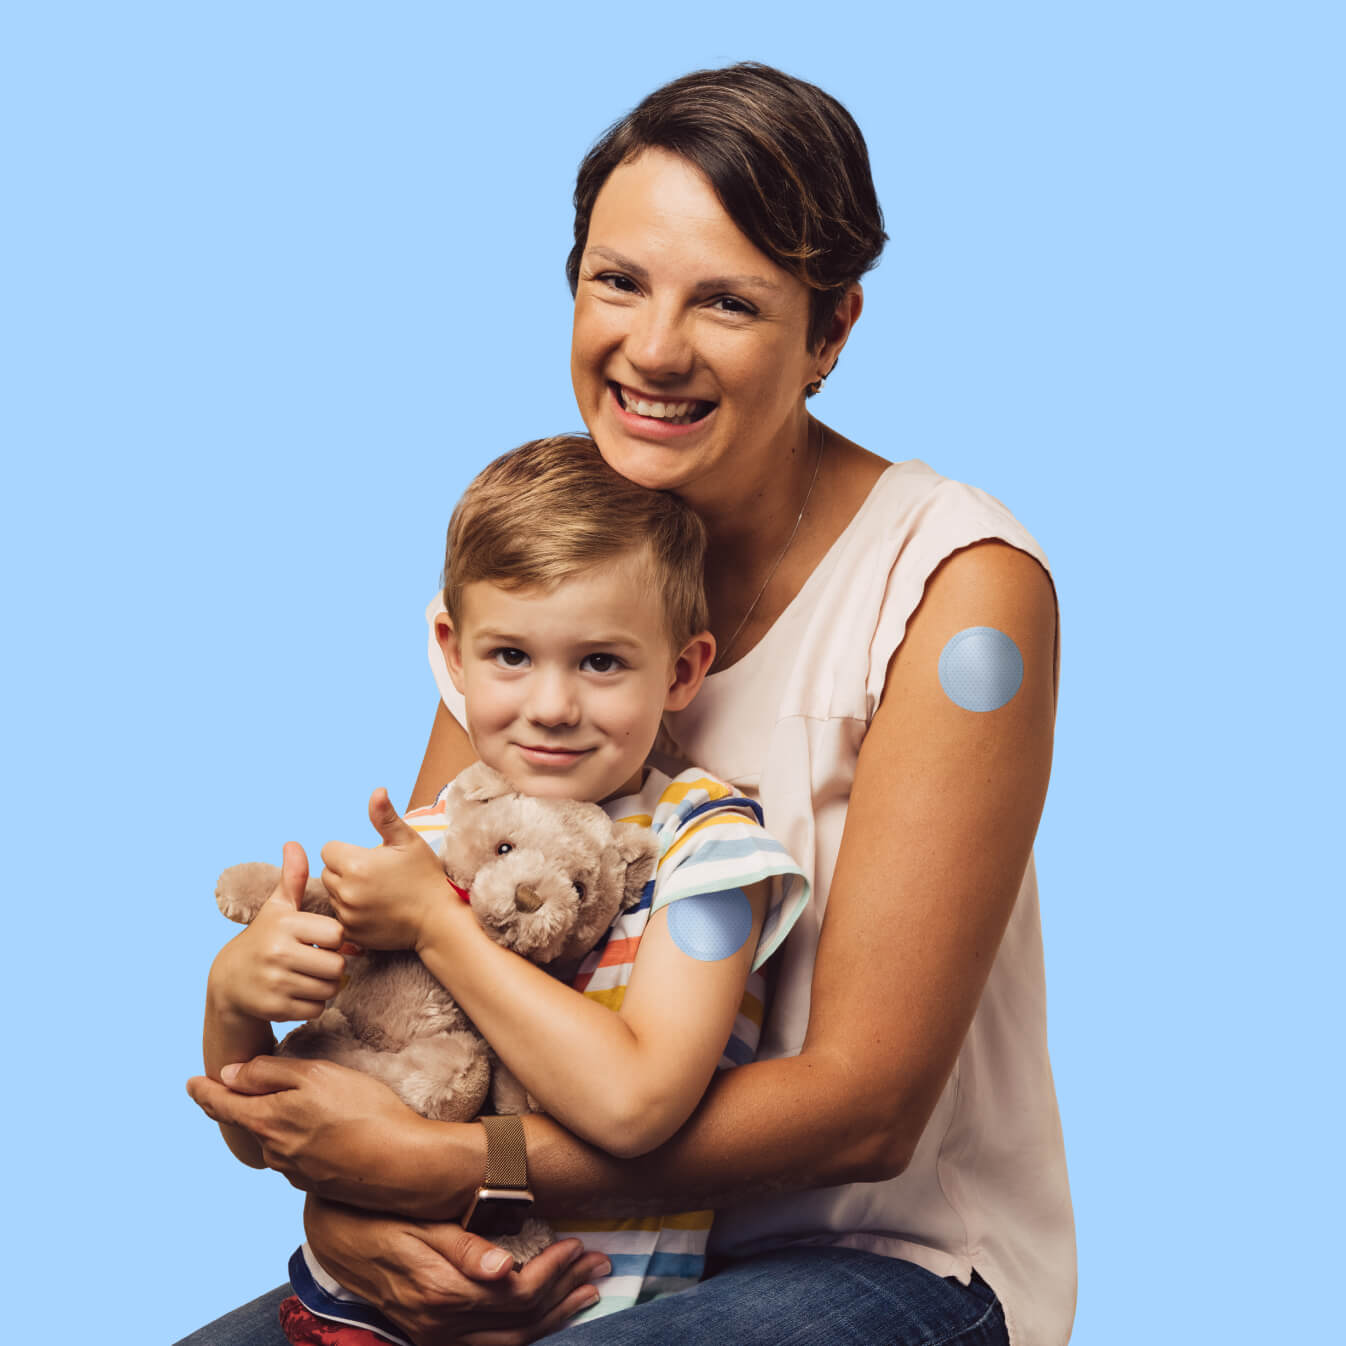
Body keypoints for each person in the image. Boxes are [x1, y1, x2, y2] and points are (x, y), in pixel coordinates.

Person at [186, 61, 1074, 1346]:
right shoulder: (556, 565)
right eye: (618, 281)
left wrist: (442, 1170)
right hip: (564, 1236)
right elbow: (430, 973)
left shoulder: (957, 594)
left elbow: (866, 1107)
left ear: (828, 334)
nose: (652, 349)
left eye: (728, 301)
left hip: (885, 1256)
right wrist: (353, 1221)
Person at [199, 435, 810, 1342]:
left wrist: (438, 930)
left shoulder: (709, 851)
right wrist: (234, 1001)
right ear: (452, 652)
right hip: (372, 1311)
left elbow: (636, 1105)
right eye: (511, 656)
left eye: (600, 662)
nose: (552, 705)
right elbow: (267, 1137)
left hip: (596, 1315)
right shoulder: (433, 841)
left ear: (681, 670)